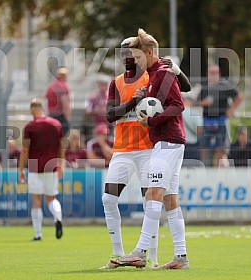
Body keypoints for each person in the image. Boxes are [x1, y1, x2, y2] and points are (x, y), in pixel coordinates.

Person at [101, 36, 191, 269]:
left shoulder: (159, 73)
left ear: (148, 53)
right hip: (143, 146)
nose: (131, 59)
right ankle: (180, 257)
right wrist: (137, 105)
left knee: (152, 195)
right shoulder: (145, 76)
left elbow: (179, 103)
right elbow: (110, 115)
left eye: (136, 55)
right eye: (126, 54)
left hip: (158, 146)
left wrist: (152, 121)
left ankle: (142, 254)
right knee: (169, 199)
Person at [18, 98, 64, 241]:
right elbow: (61, 146)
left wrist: (20, 168)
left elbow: (25, 149)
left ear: (32, 110)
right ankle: (57, 218)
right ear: (42, 108)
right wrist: (61, 164)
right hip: (52, 165)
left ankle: (38, 234)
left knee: (36, 200)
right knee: (51, 198)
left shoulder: (30, 127)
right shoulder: (56, 124)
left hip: (34, 166)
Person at [197, 64, 243, 167]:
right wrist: (204, 102)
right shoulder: (205, 86)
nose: (213, 75)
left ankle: (218, 174)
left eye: (215, 73)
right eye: (211, 73)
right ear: (207, 74)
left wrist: (231, 110)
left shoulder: (224, 85)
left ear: (219, 74)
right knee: (203, 148)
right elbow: (197, 102)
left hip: (221, 120)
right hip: (206, 120)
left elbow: (239, 96)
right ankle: (204, 170)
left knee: (221, 149)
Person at [44, 67, 71, 136]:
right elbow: (65, 105)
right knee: (61, 139)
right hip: (60, 117)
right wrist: (67, 119)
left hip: (50, 115)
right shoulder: (64, 86)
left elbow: (45, 101)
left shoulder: (50, 86)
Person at [182, 95, 203, 166]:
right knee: (192, 167)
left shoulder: (177, 113)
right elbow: (199, 130)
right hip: (192, 145)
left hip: (180, 144)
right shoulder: (195, 113)